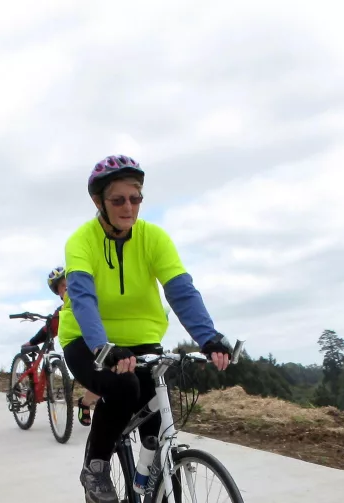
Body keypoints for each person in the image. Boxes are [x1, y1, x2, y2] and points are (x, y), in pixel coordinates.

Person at [59, 155, 235, 502]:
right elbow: (82, 298)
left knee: (156, 421)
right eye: (118, 200)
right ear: (99, 202)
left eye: (135, 198)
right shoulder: (81, 242)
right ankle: (95, 466)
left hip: (142, 341)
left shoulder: (154, 238)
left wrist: (208, 336)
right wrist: (101, 347)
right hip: (86, 340)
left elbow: (181, 290)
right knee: (123, 388)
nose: (128, 207)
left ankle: (151, 483)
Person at [21, 266, 98, 426]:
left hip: (97, 345)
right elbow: (47, 330)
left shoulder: (91, 299)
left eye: (69, 282)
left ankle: (84, 402)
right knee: (101, 383)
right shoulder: (61, 312)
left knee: (105, 382)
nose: (67, 287)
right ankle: (85, 403)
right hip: (79, 350)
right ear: (59, 293)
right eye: (63, 286)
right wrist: (32, 342)